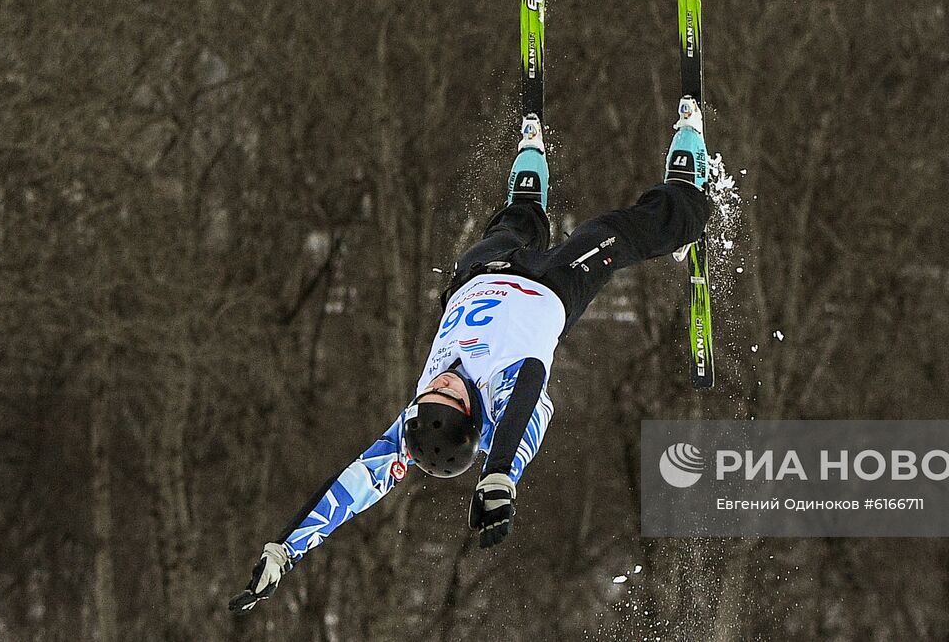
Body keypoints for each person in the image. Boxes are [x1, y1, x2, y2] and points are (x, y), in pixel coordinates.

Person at [228, 99, 710, 612]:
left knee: (513, 223)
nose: (439, 384)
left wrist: (287, 548)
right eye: (448, 395)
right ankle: (686, 197)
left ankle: (529, 164)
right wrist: (499, 475)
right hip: (552, 287)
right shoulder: (505, 398)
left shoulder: (415, 428)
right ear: (469, 414)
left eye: (429, 393)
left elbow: (353, 488)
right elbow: (526, 398)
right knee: (614, 232)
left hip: (479, 275)